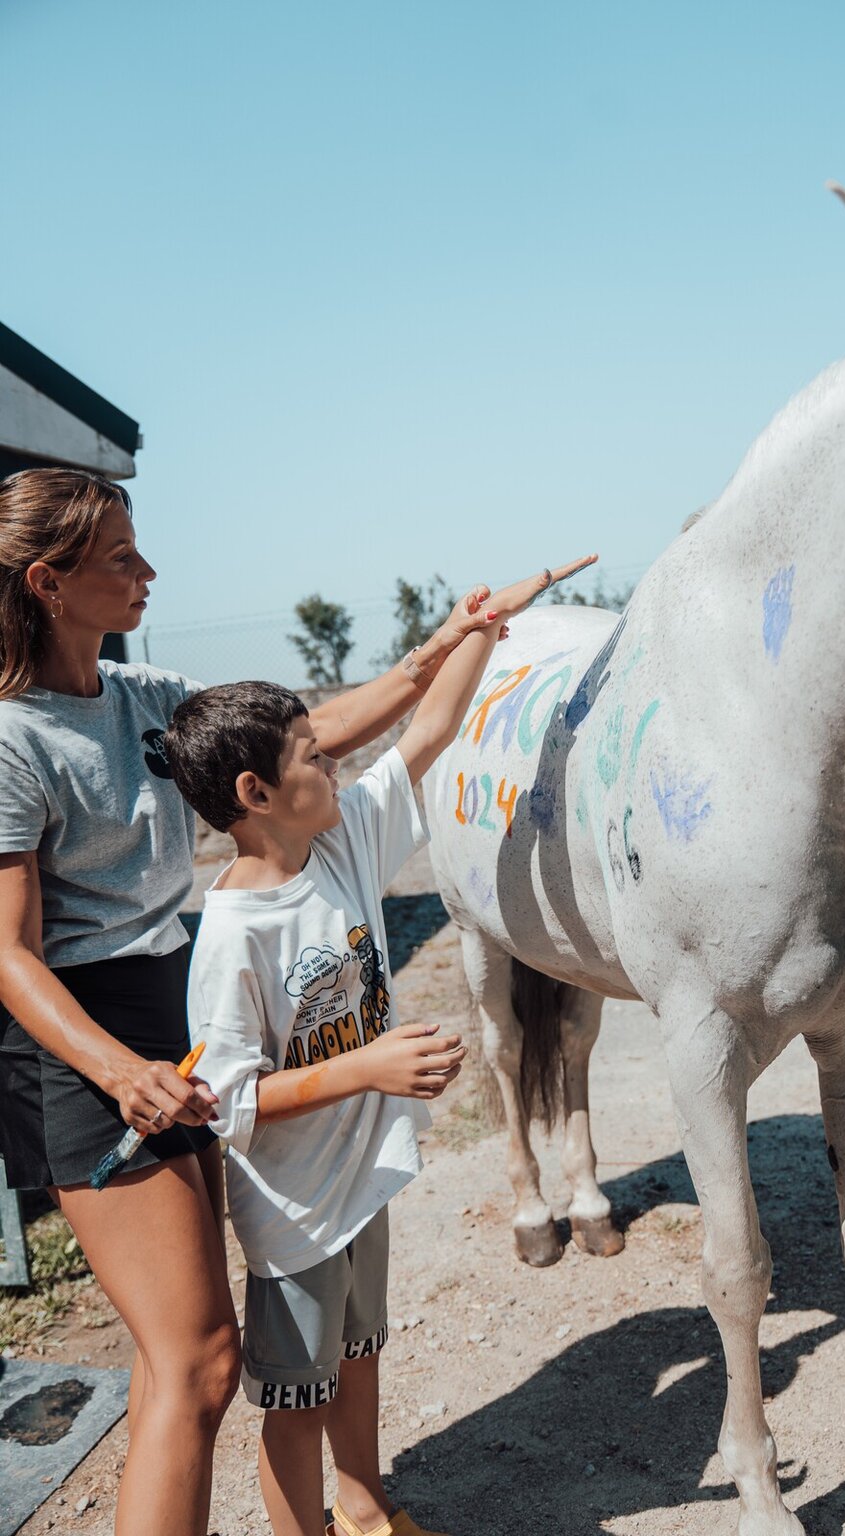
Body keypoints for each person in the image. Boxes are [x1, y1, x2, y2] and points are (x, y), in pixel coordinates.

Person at [0, 465, 557, 1536]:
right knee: (201, 1361)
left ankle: (355, 1505)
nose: (147, 571)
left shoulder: (144, 698)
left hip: (171, 1011)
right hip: (78, 1047)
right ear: (49, 584)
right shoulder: (13, 744)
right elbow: (10, 957)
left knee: (242, 1342)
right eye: (121, 558)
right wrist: (118, 1072)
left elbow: (320, 726)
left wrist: (443, 646)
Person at [162, 550, 593, 1536]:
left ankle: (365, 1508)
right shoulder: (232, 934)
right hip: (295, 1214)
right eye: (313, 755)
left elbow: (432, 726)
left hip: (358, 1184)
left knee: (361, 1358)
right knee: (295, 1406)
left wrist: (481, 627)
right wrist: (368, 1068)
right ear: (255, 791)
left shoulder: (344, 833)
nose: (338, 763)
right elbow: (226, 1099)